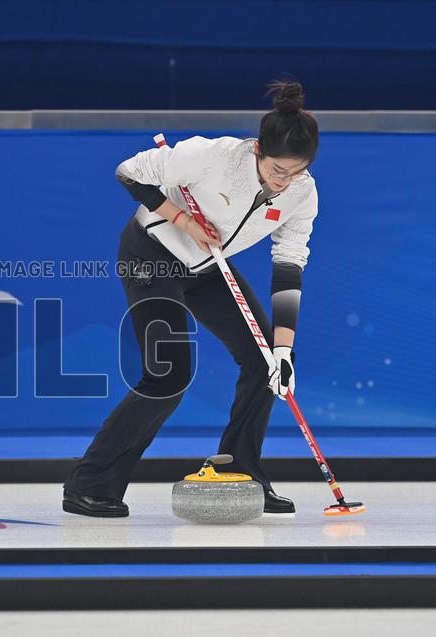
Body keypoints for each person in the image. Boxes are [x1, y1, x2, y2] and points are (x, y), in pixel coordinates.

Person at [63, 80, 319, 518]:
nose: (285, 182)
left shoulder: (302, 193)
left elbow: (289, 264)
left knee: (264, 363)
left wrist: (283, 349)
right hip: (152, 255)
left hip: (208, 265)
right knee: (168, 374)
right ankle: (89, 485)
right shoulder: (212, 156)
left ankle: (240, 475)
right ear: (258, 149)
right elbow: (129, 172)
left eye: (297, 171)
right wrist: (183, 220)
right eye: (279, 170)